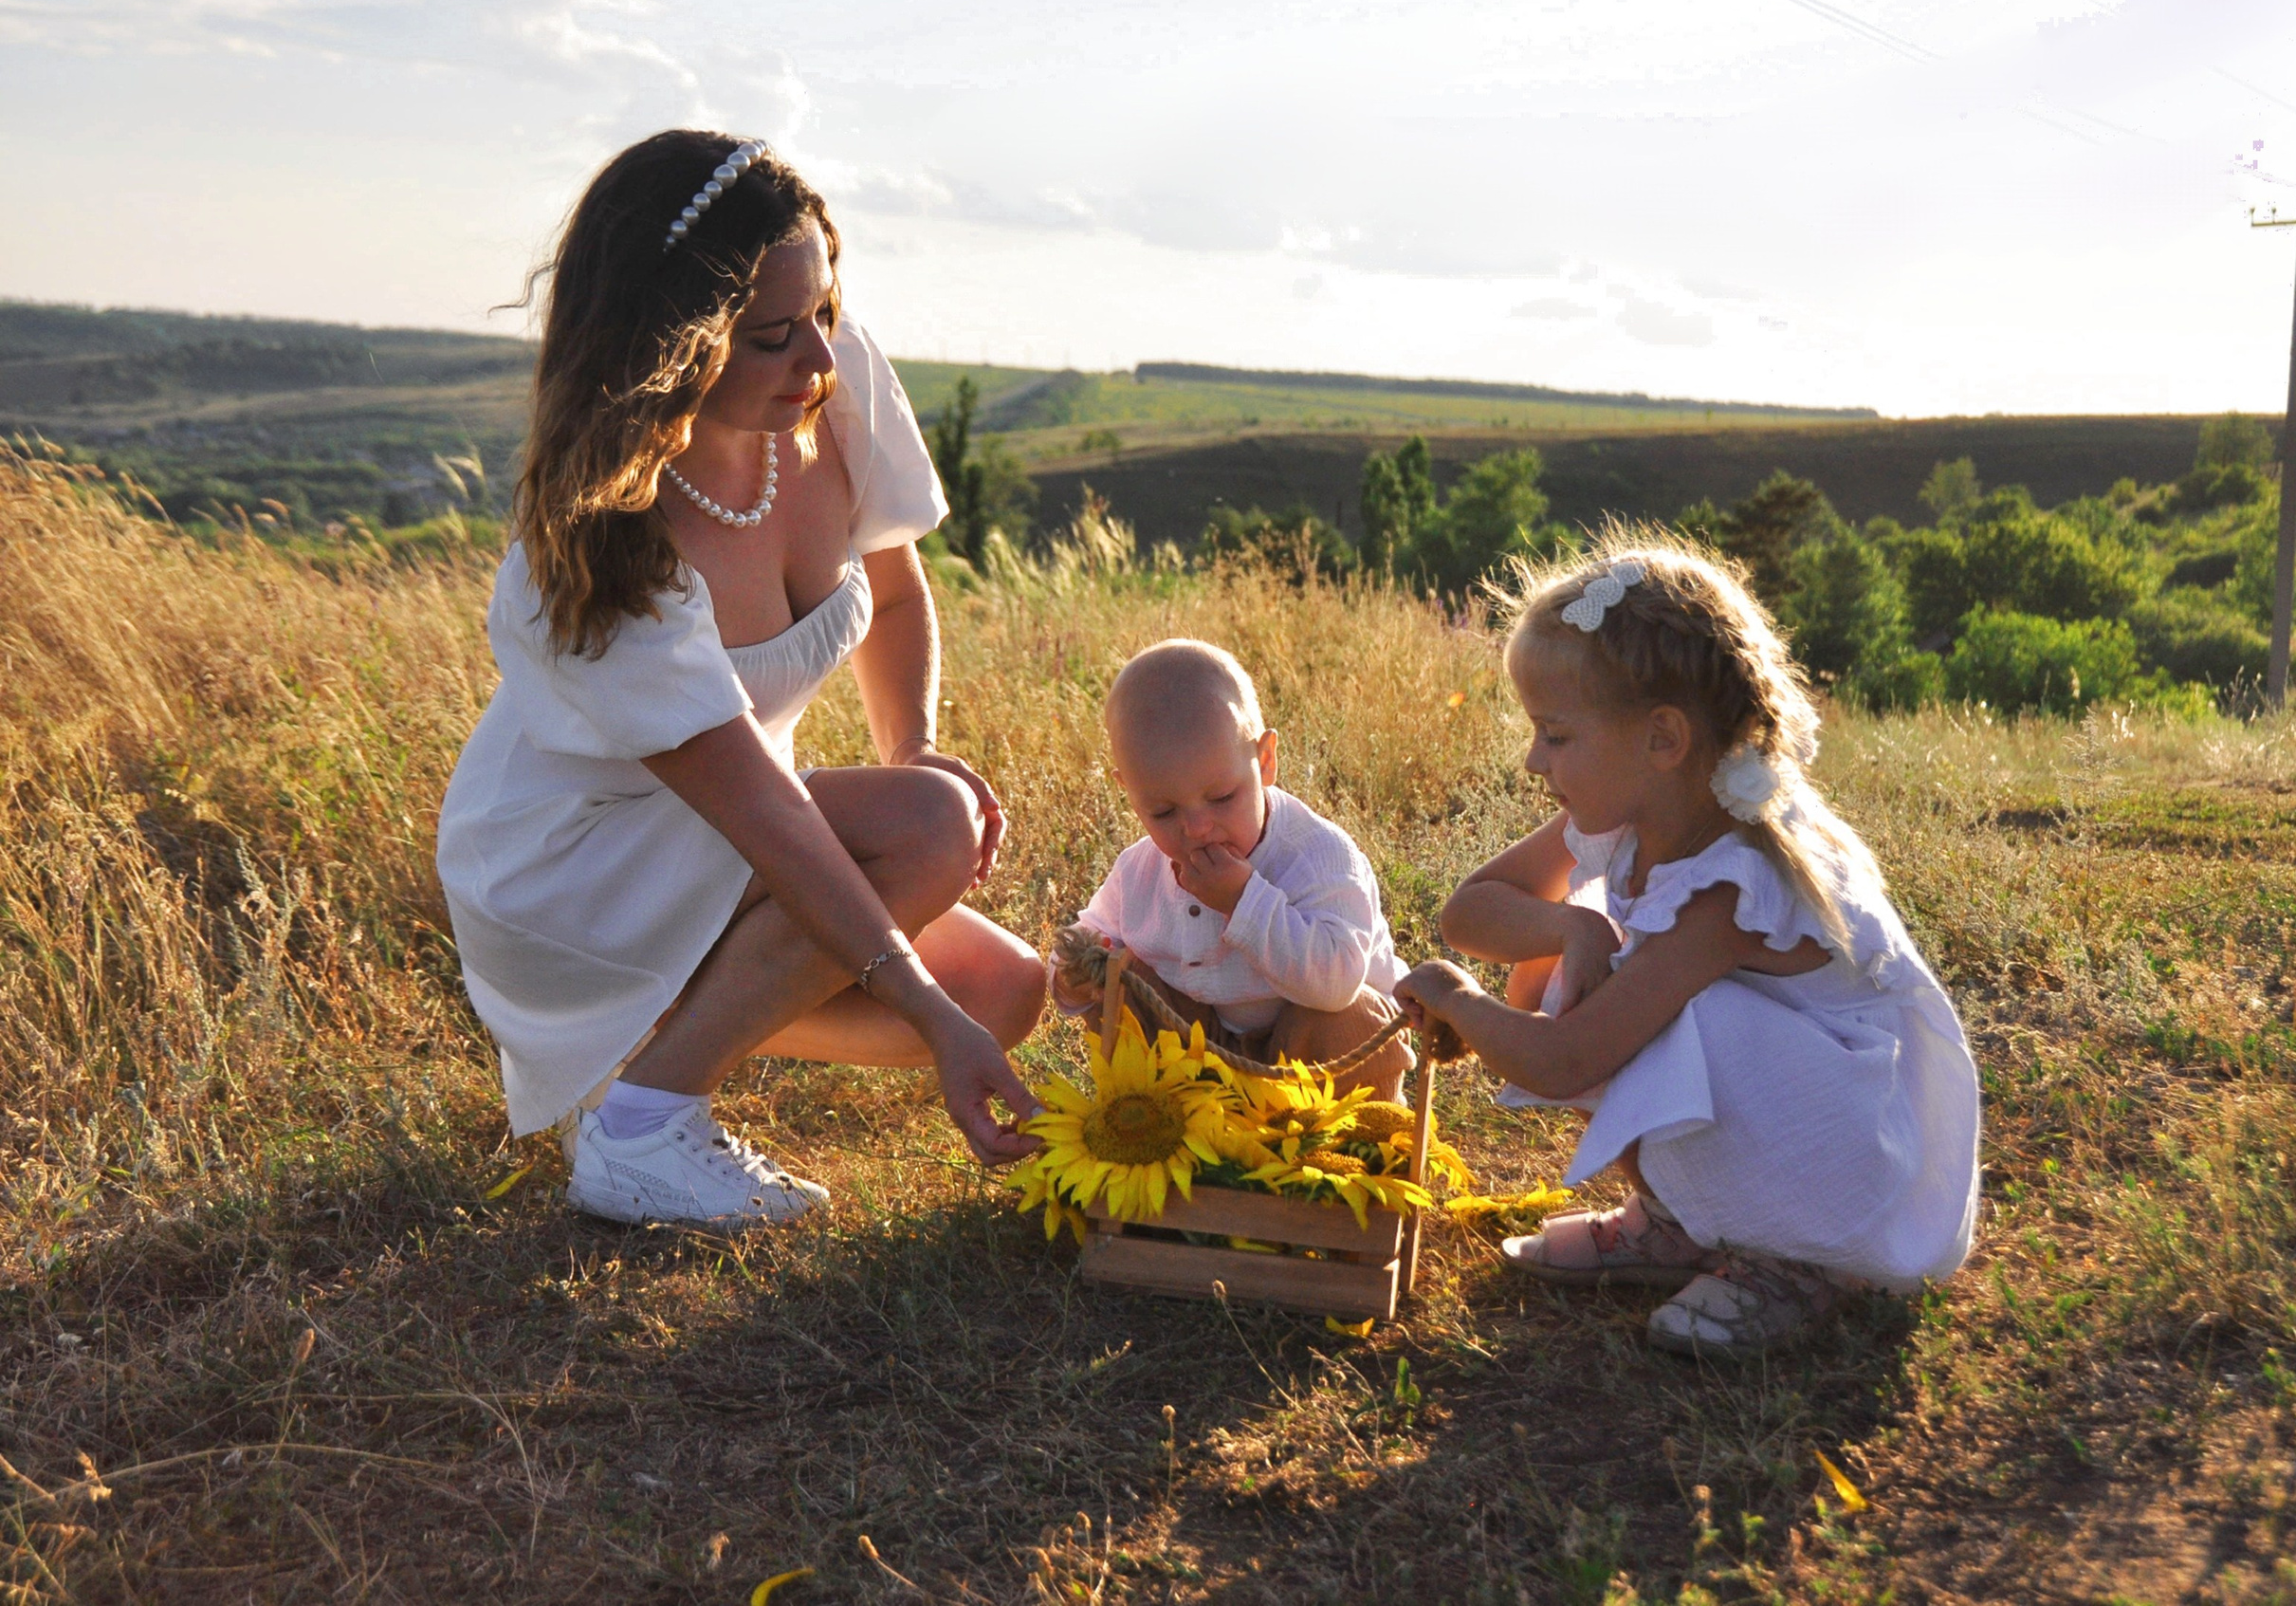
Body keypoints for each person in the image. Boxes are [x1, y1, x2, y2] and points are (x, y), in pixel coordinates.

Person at [437, 130, 1046, 1230]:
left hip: (721, 840)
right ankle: (642, 1123)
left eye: (822, 310)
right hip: (576, 866)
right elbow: (765, 812)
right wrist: (920, 995)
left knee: (1007, 992)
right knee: (930, 832)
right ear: (669, 345)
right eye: (772, 337)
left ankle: (645, 1053)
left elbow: (896, 596)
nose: (818, 358)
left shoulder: (830, 384)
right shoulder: (606, 546)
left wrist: (908, 743)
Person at [1393, 536, 1979, 1357]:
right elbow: (1471, 912)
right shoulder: (1644, 803)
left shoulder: (1733, 885)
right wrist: (1572, 925)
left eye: (1555, 735)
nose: (1534, 760)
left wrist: (1457, 999)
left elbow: (1566, 1059)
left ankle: (1794, 1262)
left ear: (1662, 738)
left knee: (1667, 1009)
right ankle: (1680, 1223)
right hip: (1796, 1105)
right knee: (1604, 970)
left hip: (1854, 1153)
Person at [1048, 639, 1412, 1098]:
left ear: (1264, 762)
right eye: (1162, 811)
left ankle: (1361, 1148)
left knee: (1350, 1018)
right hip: (1202, 1050)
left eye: (1222, 798)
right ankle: (1167, 1128)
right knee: (1124, 979)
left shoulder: (1320, 857)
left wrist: (1244, 901)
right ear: (1130, 792)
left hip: (1311, 1050)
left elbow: (1336, 982)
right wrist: (1074, 973)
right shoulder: (1140, 870)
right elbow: (1090, 935)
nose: (1197, 828)